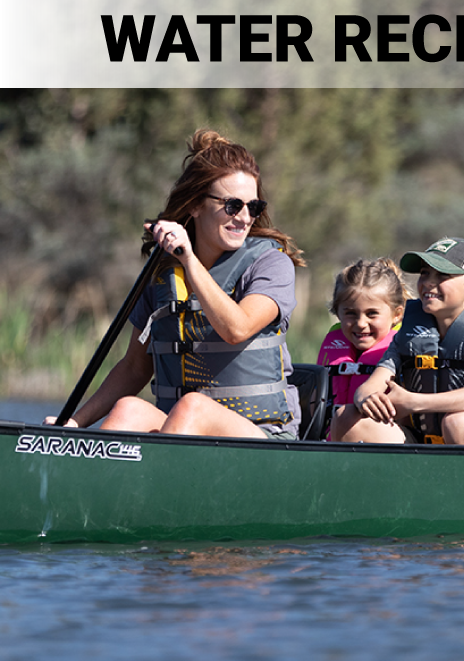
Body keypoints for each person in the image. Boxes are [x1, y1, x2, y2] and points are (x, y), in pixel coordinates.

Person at [45, 129, 305, 439]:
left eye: (255, 207)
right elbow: (133, 369)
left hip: (262, 435)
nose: (245, 218)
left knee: (192, 406)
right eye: (234, 205)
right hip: (183, 430)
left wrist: (189, 260)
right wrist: (74, 423)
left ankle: (153, 482)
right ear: (195, 205)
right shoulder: (163, 277)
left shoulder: (271, 264)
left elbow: (237, 328)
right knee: (129, 409)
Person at [332, 237, 464, 445]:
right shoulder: (411, 333)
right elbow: (370, 386)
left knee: (456, 421)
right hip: (423, 441)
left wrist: (414, 402)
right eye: (425, 273)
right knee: (346, 415)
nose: (428, 282)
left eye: (442, 275)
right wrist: (364, 398)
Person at [317, 257, 411, 441]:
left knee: (347, 415)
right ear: (337, 312)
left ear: (397, 314)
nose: (361, 324)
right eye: (350, 313)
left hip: (386, 439)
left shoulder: (405, 349)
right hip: (331, 438)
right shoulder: (334, 343)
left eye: (372, 314)